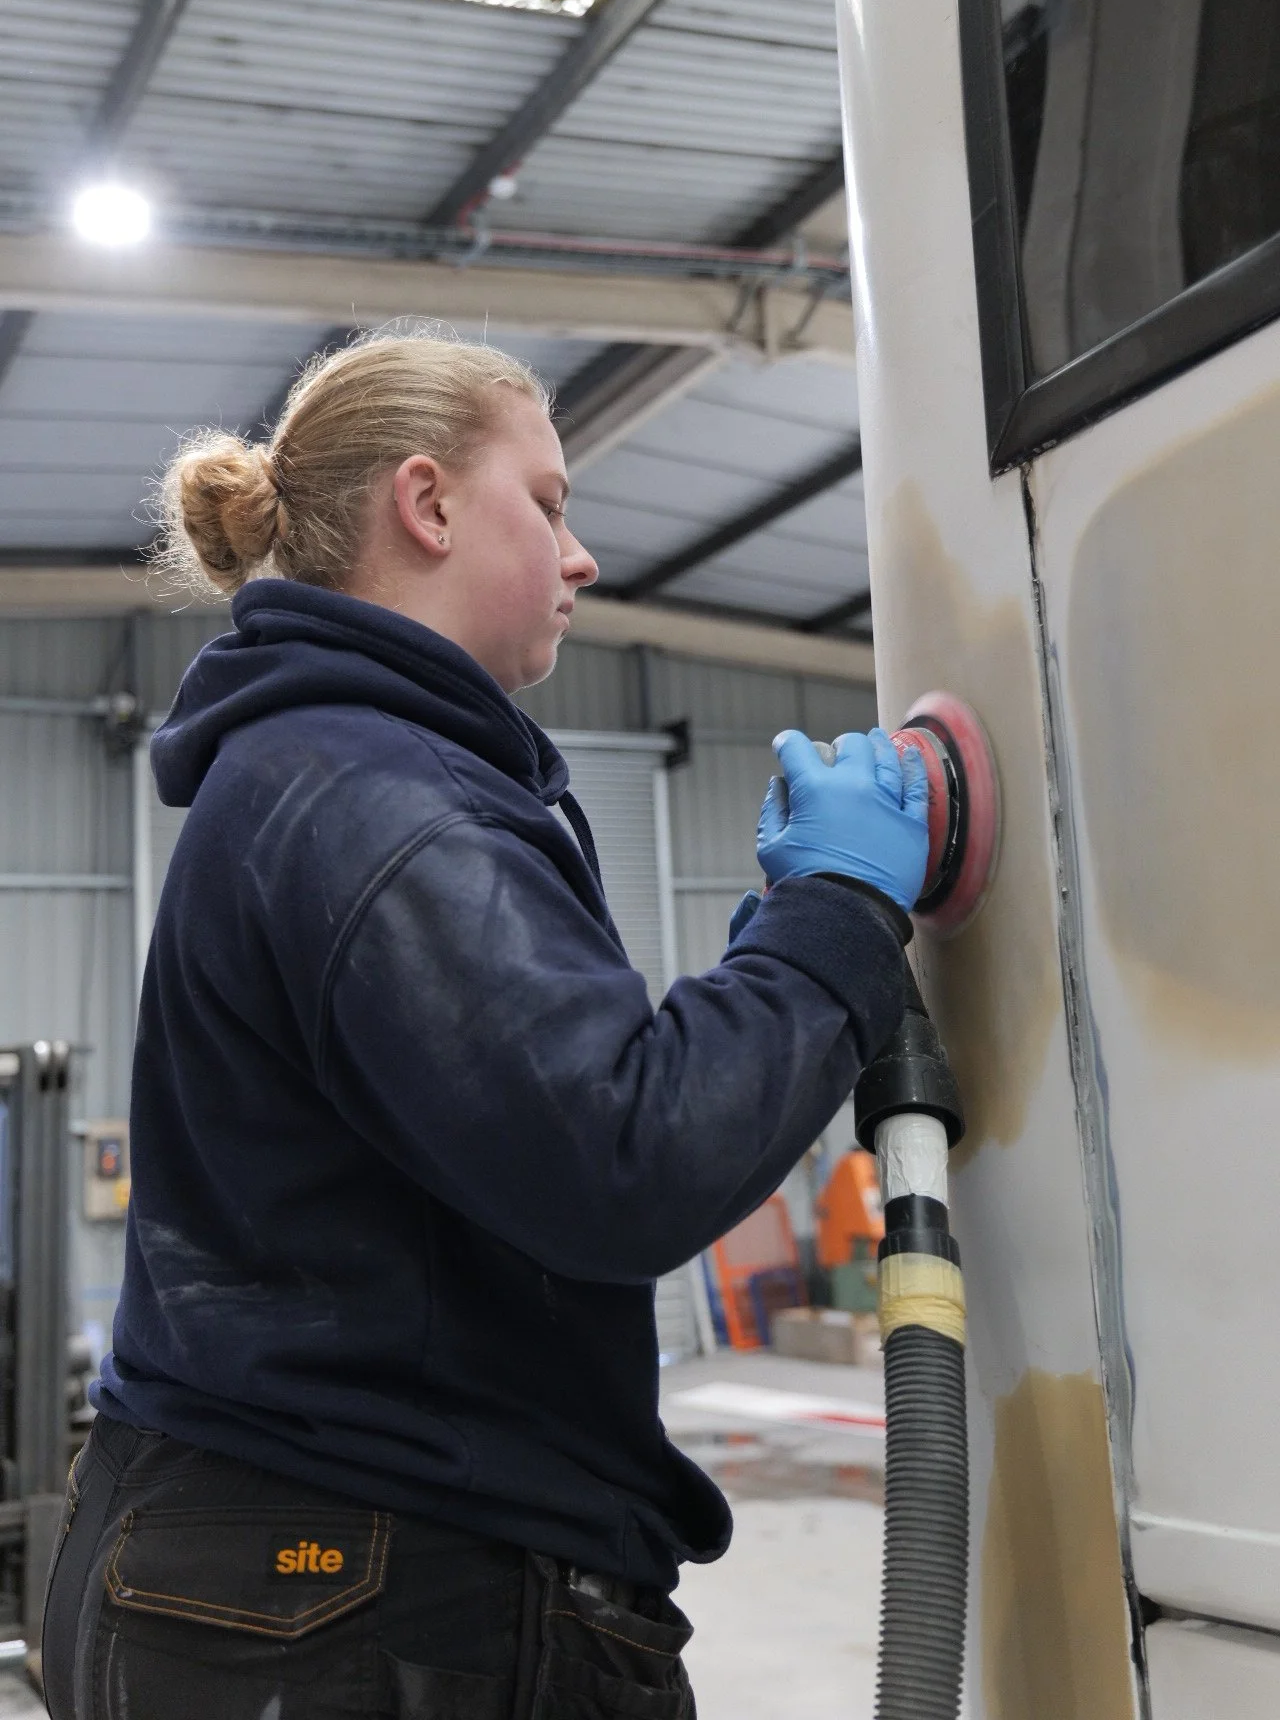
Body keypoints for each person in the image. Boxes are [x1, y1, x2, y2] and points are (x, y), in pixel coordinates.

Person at [40, 332, 929, 1720]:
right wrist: (836, 916)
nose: (583, 558)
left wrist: (791, 944)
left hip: (277, 1569)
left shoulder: (329, 769)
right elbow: (625, 1155)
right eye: (551, 504)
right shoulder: (376, 791)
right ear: (429, 504)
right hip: (358, 1595)